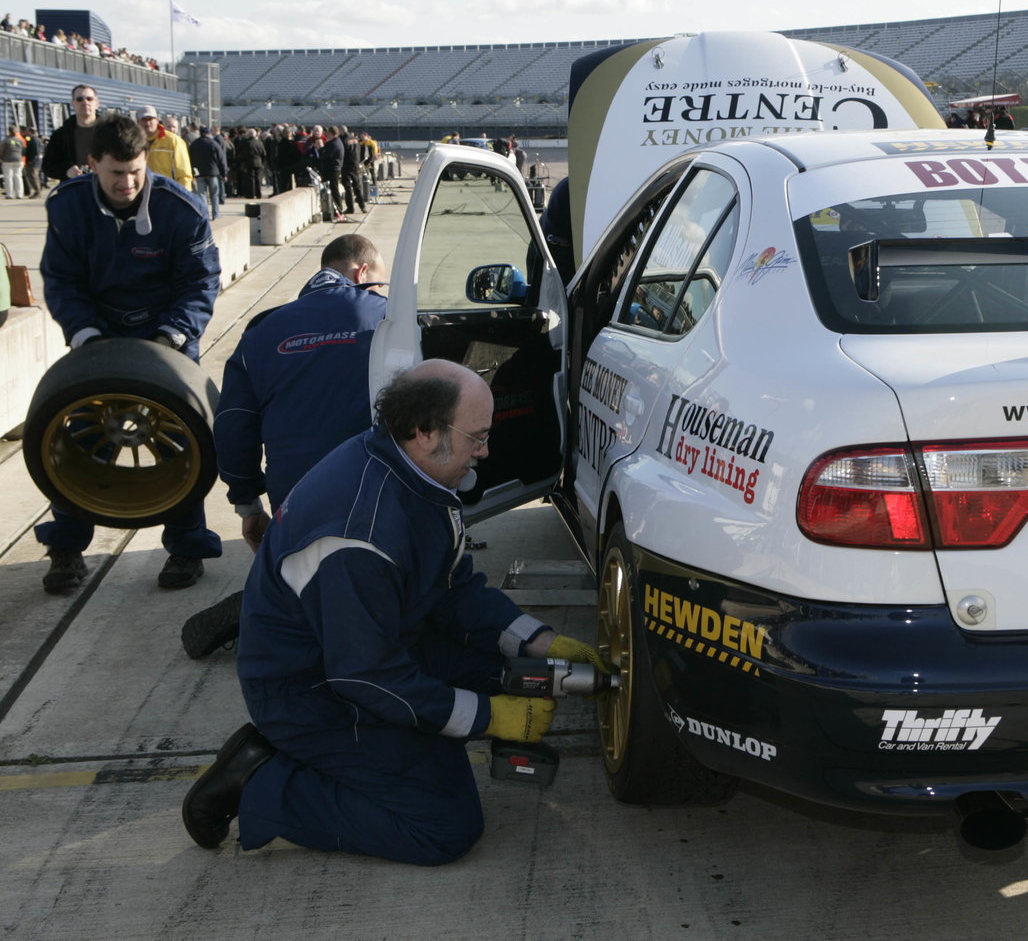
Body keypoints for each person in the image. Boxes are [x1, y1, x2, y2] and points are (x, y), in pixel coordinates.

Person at [181, 360, 609, 866]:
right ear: (426, 432)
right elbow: (367, 678)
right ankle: (261, 782)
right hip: (312, 692)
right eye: (478, 437)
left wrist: (539, 642)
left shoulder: (404, 469)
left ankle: (405, 742)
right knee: (445, 826)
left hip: (372, 643)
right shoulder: (358, 535)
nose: (485, 451)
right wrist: (490, 717)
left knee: (516, 674)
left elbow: (452, 586)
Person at [36, 116, 222, 594]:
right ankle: (66, 548)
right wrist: (84, 335)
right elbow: (61, 280)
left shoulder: (182, 209)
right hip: (97, 331)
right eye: (116, 172)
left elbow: (200, 281)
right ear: (93, 164)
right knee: (71, 438)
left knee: (183, 441)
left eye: (135, 171)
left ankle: (186, 546)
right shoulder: (68, 206)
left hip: (166, 333)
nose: (127, 183)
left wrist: (171, 336)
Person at [181, 234, 390, 660]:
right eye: (378, 283)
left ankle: (277, 598)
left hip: (294, 497)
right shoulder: (391, 319)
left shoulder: (264, 329)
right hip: (377, 486)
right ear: (362, 272)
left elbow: (234, 425)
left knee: (306, 564)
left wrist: (246, 504)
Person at [41, 84, 100, 184]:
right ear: (73, 104)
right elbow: (47, 166)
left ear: (97, 103)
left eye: (89, 99)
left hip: (106, 190)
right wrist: (67, 170)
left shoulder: (111, 131)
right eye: (79, 99)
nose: (85, 102)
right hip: (73, 189)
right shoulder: (60, 135)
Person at [137, 106, 195, 192]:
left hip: (168, 192)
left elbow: (183, 174)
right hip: (143, 193)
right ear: (138, 122)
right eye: (144, 119)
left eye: (150, 119)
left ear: (157, 120)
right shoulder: (134, 142)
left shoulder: (173, 141)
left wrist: (184, 195)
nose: (147, 122)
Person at [188, 125, 227, 220]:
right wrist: (224, 173)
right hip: (213, 173)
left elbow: (190, 159)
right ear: (209, 133)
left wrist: (193, 173)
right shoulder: (214, 144)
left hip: (199, 173)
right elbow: (221, 160)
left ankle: (204, 215)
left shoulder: (194, 144)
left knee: (202, 195)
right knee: (214, 194)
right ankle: (215, 215)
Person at [1, 126, 23, 199]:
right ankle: (19, 194)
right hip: (18, 160)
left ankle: (9, 194)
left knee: (8, 177)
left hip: (7, 160)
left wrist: (1, 158)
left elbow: (1, 150)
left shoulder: (6, 140)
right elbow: (23, 149)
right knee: (18, 176)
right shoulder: (19, 140)